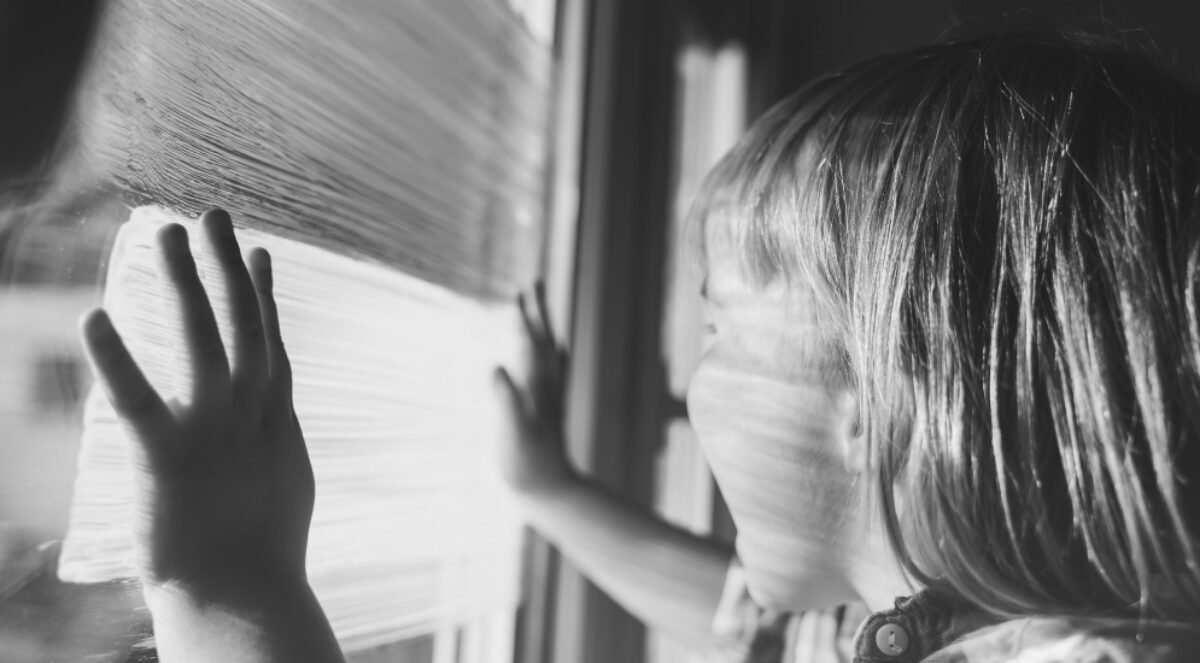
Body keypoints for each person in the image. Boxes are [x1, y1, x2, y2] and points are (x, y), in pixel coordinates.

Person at [80, 28, 1200, 662]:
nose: (695, 381)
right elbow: (754, 634)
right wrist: (551, 489)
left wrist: (230, 583)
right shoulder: (935, 616)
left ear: (876, 389)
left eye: (718, 325)